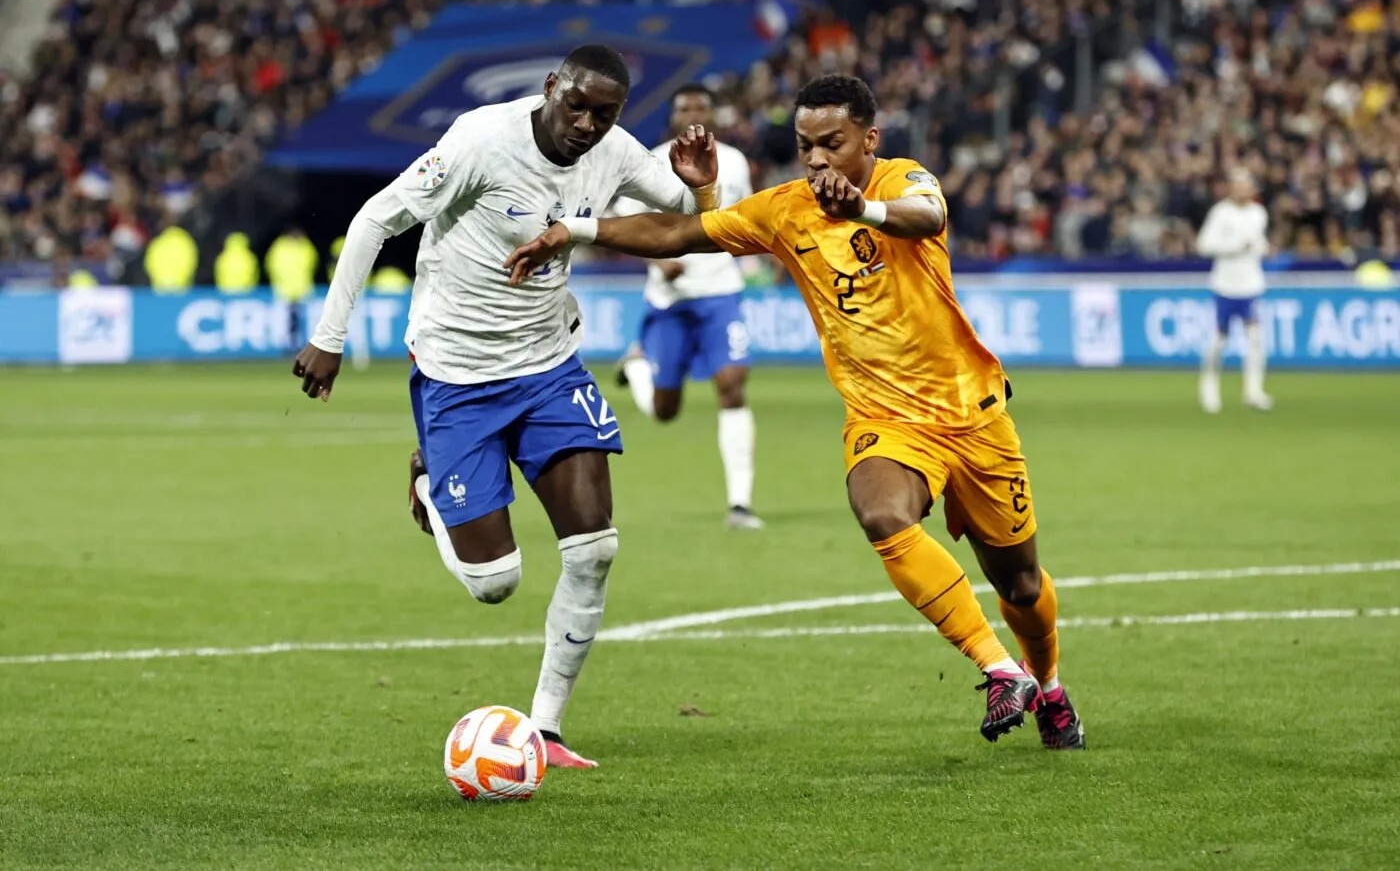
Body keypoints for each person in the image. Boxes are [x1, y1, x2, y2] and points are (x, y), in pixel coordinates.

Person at [506, 74, 1085, 749]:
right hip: (885, 418)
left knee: (1018, 582)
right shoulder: (783, 210)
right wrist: (570, 230)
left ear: (868, 139)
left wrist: (862, 210)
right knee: (879, 510)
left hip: (973, 411)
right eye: (805, 145)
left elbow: (928, 216)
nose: (815, 160)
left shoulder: (904, 181)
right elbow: (678, 231)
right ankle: (997, 668)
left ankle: (1047, 684)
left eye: (832, 145)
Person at [292, 45, 721, 768]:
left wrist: (702, 187)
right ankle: (430, 480)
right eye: (576, 104)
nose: (587, 123)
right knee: (496, 584)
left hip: (549, 366)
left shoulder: (613, 150)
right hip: (457, 374)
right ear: (552, 87)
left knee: (595, 549)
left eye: (605, 113)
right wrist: (329, 338)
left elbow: (684, 211)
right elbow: (374, 219)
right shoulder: (480, 141)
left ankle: (546, 729)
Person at [610, 84, 763, 530]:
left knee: (733, 383)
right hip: (670, 299)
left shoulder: (732, 161)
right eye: (684, 107)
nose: (693, 113)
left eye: (701, 106)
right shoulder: (651, 161)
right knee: (664, 410)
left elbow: (743, 219)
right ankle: (637, 367)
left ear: (713, 114)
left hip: (720, 293)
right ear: (672, 116)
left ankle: (740, 504)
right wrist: (659, 260)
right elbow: (623, 225)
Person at [1196, 168, 1273, 413]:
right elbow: (1204, 245)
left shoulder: (1258, 213)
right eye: (1238, 185)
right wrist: (1235, 246)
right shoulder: (1220, 213)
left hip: (1250, 284)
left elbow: (1260, 243)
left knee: (1255, 339)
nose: (1242, 190)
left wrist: (1262, 247)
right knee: (1219, 341)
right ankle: (1209, 388)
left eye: (1246, 185)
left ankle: (1253, 391)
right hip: (1225, 285)